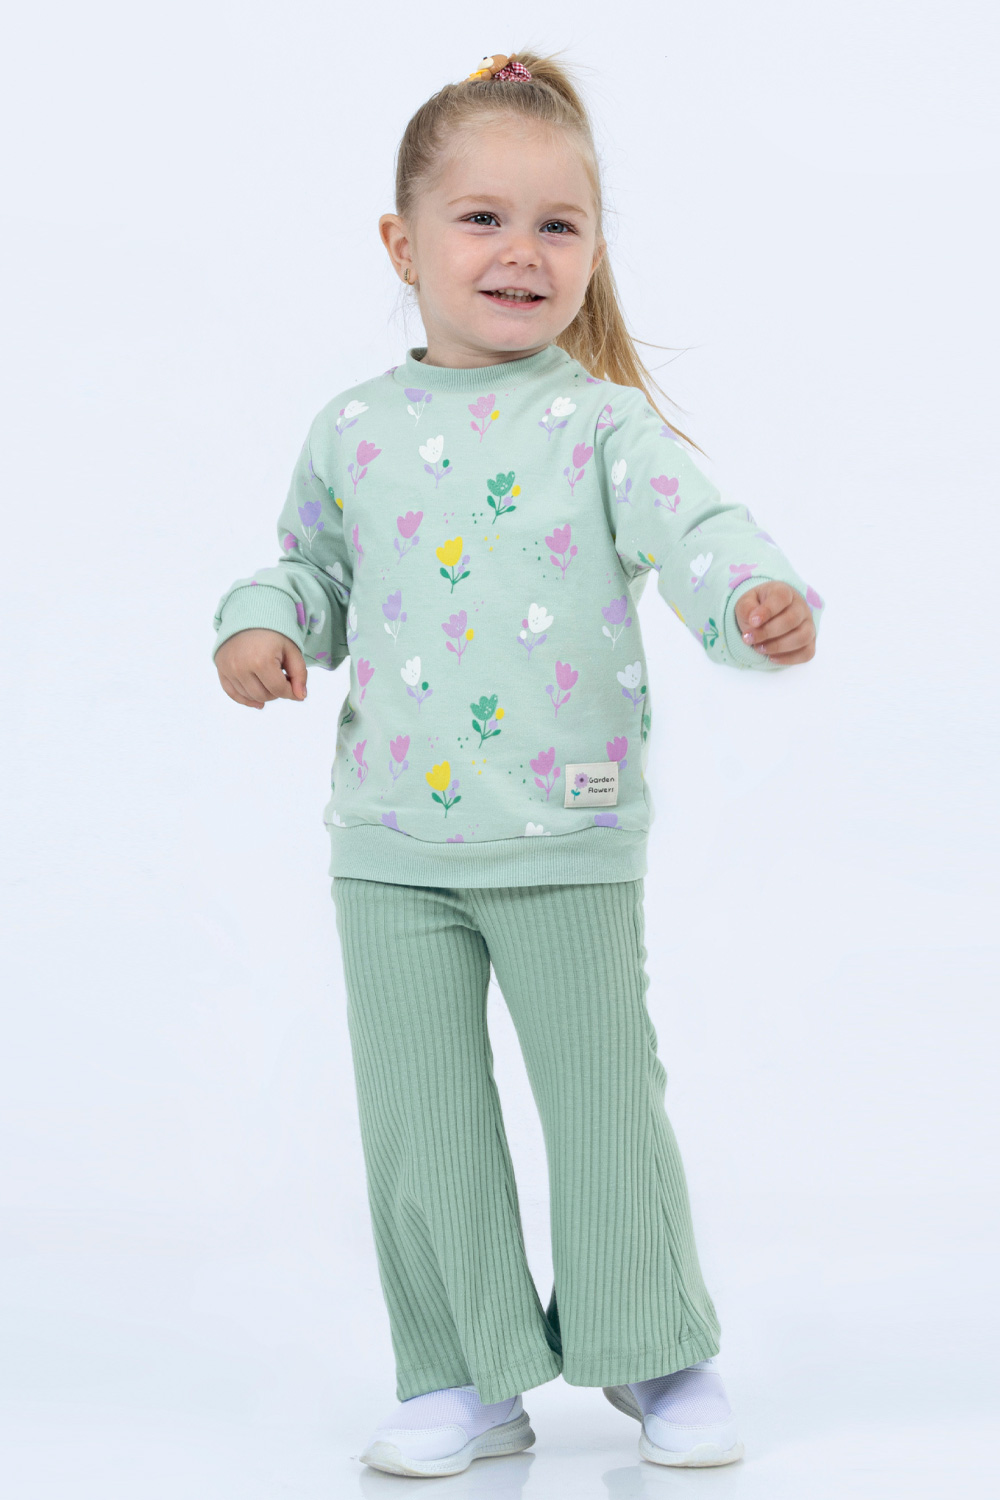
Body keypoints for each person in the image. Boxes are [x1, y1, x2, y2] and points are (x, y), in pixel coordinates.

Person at [210, 47, 825, 1479]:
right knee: (422, 1125)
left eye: (559, 224)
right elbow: (313, 571)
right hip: (390, 844)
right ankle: (466, 1374)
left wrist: (753, 599)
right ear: (402, 243)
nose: (521, 252)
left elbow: (698, 531)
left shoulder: (601, 422)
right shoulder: (352, 428)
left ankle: (655, 1350)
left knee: (606, 1110)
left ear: (595, 248)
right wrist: (261, 622)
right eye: (482, 218)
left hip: (565, 828)